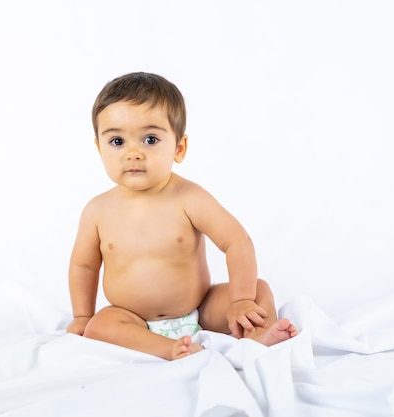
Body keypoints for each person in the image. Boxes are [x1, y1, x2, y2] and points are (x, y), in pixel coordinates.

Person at [66, 72, 297, 360]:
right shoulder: (97, 210)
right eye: (117, 142)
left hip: (200, 309)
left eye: (150, 139)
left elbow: (237, 241)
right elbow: (84, 266)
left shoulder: (190, 198)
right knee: (101, 326)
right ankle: (169, 350)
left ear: (179, 148)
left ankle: (258, 333)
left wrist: (240, 301)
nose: (133, 153)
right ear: (100, 149)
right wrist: (82, 315)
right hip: (132, 318)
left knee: (258, 290)